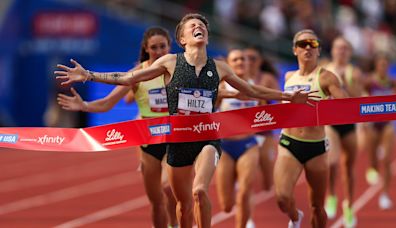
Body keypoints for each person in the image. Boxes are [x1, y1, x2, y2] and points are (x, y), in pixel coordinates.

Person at [55, 13, 318, 228]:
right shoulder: (170, 62)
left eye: (202, 25)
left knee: (199, 191)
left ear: (206, 35)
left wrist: (286, 96)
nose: (198, 27)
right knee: (182, 208)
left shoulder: (220, 67)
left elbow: (253, 91)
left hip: (207, 137)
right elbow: (127, 79)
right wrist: (88, 75)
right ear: (182, 38)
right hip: (177, 141)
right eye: (192, 25)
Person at [57, 27, 178, 228]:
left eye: (162, 46)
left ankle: (177, 223)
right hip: (148, 142)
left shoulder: (180, 71)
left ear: (169, 46)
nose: (159, 51)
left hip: (175, 138)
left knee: (168, 187)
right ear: (146, 49)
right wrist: (84, 105)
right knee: (156, 202)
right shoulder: (137, 74)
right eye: (154, 47)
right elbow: (107, 103)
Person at [274, 29, 348, 228]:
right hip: (289, 143)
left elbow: (347, 108)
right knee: (282, 197)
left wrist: (330, 105)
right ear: (294, 50)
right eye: (302, 44)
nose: (307, 47)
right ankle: (295, 217)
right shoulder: (289, 76)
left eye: (312, 44)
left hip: (316, 147)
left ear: (318, 50)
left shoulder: (326, 77)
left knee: (317, 206)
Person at [216, 48, 260, 228]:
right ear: (228, 64)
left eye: (243, 59)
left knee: (244, 191)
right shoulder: (221, 87)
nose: (240, 62)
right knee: (226, 206)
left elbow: (268, 110)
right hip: (225, 146)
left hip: (248, 144)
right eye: (235, 60)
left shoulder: (254, 86)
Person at [322, 36, 364, 226]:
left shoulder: (353, 72)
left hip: (350, 124)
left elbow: (356, 98)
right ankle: (331, 195)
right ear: (332, 50)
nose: (341, 51)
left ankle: (349, 204)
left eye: (345, 48)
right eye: (338, 48)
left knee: (349, 167)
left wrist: (344, 83)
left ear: (350, 52)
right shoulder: (324, 69)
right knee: (332, 161)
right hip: (331, 123)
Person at [363, 52, 396, 210]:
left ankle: (384, 194)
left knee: (386, 159)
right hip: (372, 124)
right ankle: (372, 167)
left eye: (386, 65)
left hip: (387, 125)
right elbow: (359, 96)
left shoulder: (392, 82)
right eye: (381, 65)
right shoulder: (369, 81)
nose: (384, 68)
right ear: (376, 66)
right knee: (373, 162)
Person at [244, 46, 280, 191]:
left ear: (260, 61)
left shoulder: (267, 78)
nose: (249, 61)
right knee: (246, 172)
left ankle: (268, 192)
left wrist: (262, 101)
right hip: (244, 132)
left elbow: (278, 102)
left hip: (264, 130)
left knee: (267, 173)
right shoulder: (237, 77)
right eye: (246, 58)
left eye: (253, 58)